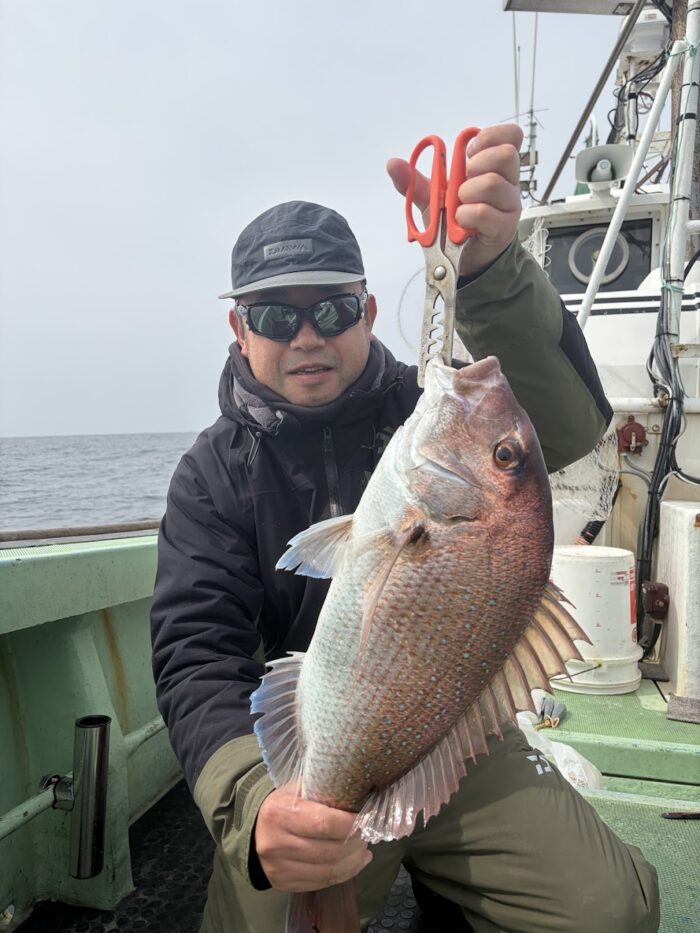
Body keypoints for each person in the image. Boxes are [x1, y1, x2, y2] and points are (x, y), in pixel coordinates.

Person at [150, 123, 659, 933]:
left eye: (332, 308)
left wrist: (488, 273)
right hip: (305, 753)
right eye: (275, 315)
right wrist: (255, 801)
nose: (307, 334)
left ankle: (449, 882)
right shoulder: (212, 475)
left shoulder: (425, 406)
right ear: (239, 330)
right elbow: (195, 650)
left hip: (453, 727)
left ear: (369, 312)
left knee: (611, 911)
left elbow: (562, 426)